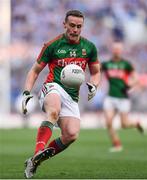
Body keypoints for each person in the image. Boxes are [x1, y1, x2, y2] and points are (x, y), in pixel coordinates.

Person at [22, 10, 100, 179]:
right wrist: (26, 92)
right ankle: (38, 152)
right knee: (54, 111)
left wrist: (94, 85)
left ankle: (34, 162)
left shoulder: (89, 47)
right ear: (64, 24)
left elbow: (96, 72)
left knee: (71, 134)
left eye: (79, 26)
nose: (75, 29)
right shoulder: (52, 45)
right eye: (72, 25)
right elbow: (34, 71)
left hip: (72, 97)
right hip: (53, 87)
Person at [101, 42, 144, 153]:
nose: (116, 51)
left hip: (123, 97)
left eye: (118, 49)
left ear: (121, 51)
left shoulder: (126, 64)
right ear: (112, 50)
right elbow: (95, 71)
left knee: (124, 124)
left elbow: (136, 77)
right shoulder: (106, 64)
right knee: (108, 122)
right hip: (110, 97)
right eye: (115, 49)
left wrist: (130, 84)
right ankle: (117, 144)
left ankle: (136, 123)